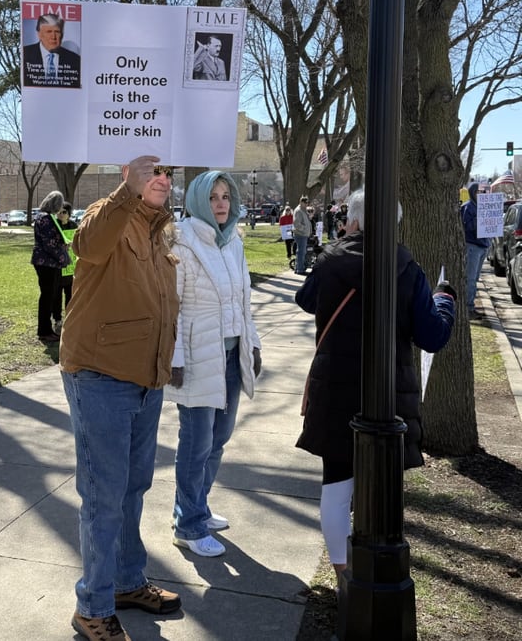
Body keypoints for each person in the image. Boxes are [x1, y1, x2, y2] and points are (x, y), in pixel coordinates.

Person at [295, 188, 456, 581]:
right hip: (386, 395)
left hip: (335, 389)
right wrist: (445, 301)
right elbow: (432, 336)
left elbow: (305, 299)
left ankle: (342, 575)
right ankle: (375, 569)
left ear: (352, 220)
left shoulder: (330, 261)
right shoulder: (405, 267)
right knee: (380, 488)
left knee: (335, 485)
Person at [59, 156, 182, 641]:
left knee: (133, 489)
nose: (162, 179)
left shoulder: (159, 233)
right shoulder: (105, 215)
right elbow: (86, 246)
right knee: (103, 498)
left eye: (167, 172)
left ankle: (127, 582)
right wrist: (125, 190)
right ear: (129, 178)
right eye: (151, 171)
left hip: (145, 379)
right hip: (100, 376)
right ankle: (92, 605)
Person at [164, 171, 262, 558]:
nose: (221, 203)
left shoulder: (234, 243)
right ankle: (188, 526)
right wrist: (175, 360)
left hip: (232, 357)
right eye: (214, 197)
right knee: (196, 443)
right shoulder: (182, 242)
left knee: (219, 439)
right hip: (197, 357)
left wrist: (251, 345)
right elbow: (171, 308)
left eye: (226, 196)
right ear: (199, 201)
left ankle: (194, 509)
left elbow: (243, 304)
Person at [31, 190, 70, 343]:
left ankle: (46, 329)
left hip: (44, 262)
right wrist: (63, 257)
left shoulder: (43, 217)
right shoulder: (46, 219)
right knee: (47, 297)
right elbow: (49, 244)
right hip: (47, 263)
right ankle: (44, 331)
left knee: (48, 296)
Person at [22, 13, 81, 88]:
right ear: (39, 34)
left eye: (57, 32)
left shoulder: (75, 59)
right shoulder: (26, 54)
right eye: (49, 32)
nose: (53, 37)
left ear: (62, 34)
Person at [461, 181, 491, 320]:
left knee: (475, 278)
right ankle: (468, 308)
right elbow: (466, 226)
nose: (480, 195)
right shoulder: (468, 207)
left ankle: (470, 305)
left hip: (483, 246)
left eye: (481, 193)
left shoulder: (483, 207)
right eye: (478, 192)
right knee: (471, 278)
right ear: (473, 193)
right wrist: (481, 218)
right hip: (472, 246)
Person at [52, 201, 78, 333]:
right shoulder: (53, 226)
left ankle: (70, 319)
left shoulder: (73, 226)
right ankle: (57, 320)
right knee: (56, 295)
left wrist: (73, 244)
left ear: (69, 214)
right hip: (57, 267)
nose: (61, 215)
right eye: (58, 212)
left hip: (70, 267)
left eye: (64, 212)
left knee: (71, 294)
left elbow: (80, 242)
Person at [293, 195, 312, 274]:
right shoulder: (298, 211)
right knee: (301, 252)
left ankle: (298, 268)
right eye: (305, 202)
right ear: (301, 202)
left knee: (301, 252)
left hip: (304, 234)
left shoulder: (303, 210)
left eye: (307, 202)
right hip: (300, 234)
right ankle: (300, 269)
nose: (307, 204)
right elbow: (296, 223)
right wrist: (304, 229)